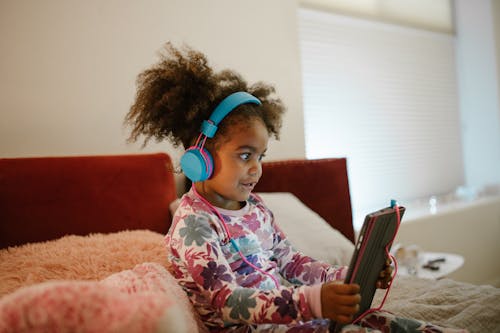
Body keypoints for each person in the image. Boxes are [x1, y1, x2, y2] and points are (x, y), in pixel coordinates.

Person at [125, 43, 466, 333]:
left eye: (260, 156)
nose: (256, 168)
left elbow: (292, 264)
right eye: (245, 155)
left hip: (296, 322)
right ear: (200, 157)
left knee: (396, 324)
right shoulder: (193, 225)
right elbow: (228, 302)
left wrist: (352, 277)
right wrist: (314, 301)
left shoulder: (256, 209)